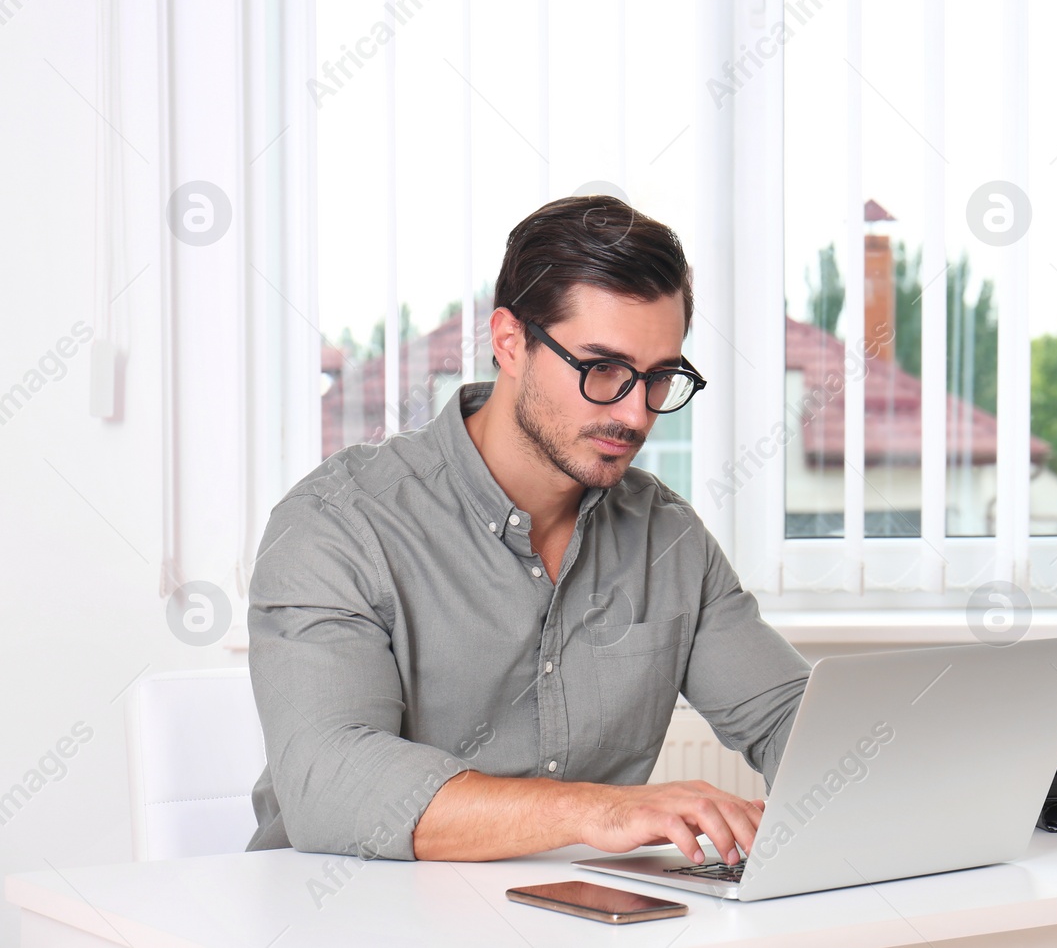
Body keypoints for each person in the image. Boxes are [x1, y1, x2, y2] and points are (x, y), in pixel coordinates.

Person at [245, 195, 810, 867]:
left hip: (572, 920)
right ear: (510, 341)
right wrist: (600, 809)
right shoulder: (340, 521)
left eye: (660, 377)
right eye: (602, 368)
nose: (636, 413)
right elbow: (330, 780)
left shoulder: (668, 538)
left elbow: (793, 722)